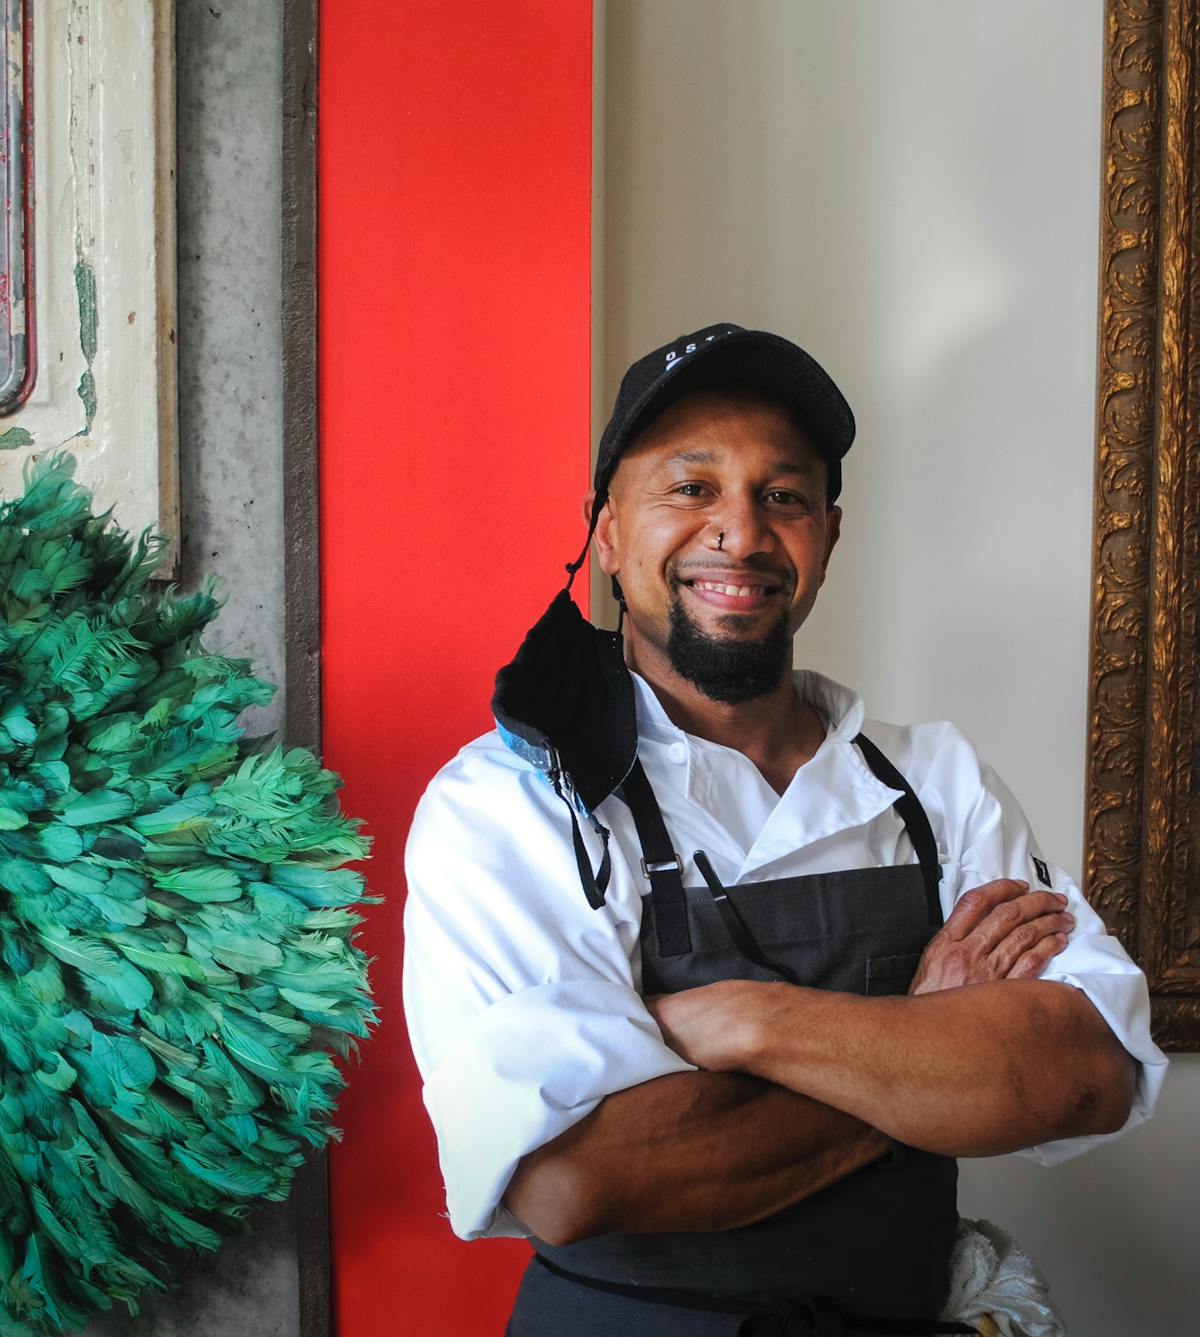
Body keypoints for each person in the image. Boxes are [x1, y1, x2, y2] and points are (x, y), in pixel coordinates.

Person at [403, 323, 1167, 1336]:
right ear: (606, 533)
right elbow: (575, 1174)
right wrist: (920, 1030)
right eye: (691, 487)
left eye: (784, 494)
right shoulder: (513, 802)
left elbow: (1084, 1072)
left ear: (828, 538)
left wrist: (750, 1021)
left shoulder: (934, 782)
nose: (742, 531)